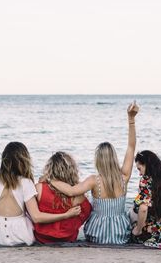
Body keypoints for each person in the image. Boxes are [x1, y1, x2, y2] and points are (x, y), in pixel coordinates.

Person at [50, 101, 139, 244]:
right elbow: (131, 147)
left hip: (98, 232)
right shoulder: (124, 177)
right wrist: (131, 120)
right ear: (114, 158)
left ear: (98, 161)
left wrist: (51, 180)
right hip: (119, 232)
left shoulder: (94, 180)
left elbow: (72, 191)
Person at [0, 142, 81, 246]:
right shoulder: (26, 182)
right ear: (24, 161)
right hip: (20, 235)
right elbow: (36, 217)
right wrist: (66, 215)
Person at [33, 151, 92, 243]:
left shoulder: (39, 188)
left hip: (42, 237)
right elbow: (85, 214)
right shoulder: (77, 194)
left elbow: (30, 211)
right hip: (67, 238)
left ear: (50, 169)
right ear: (71, 170)